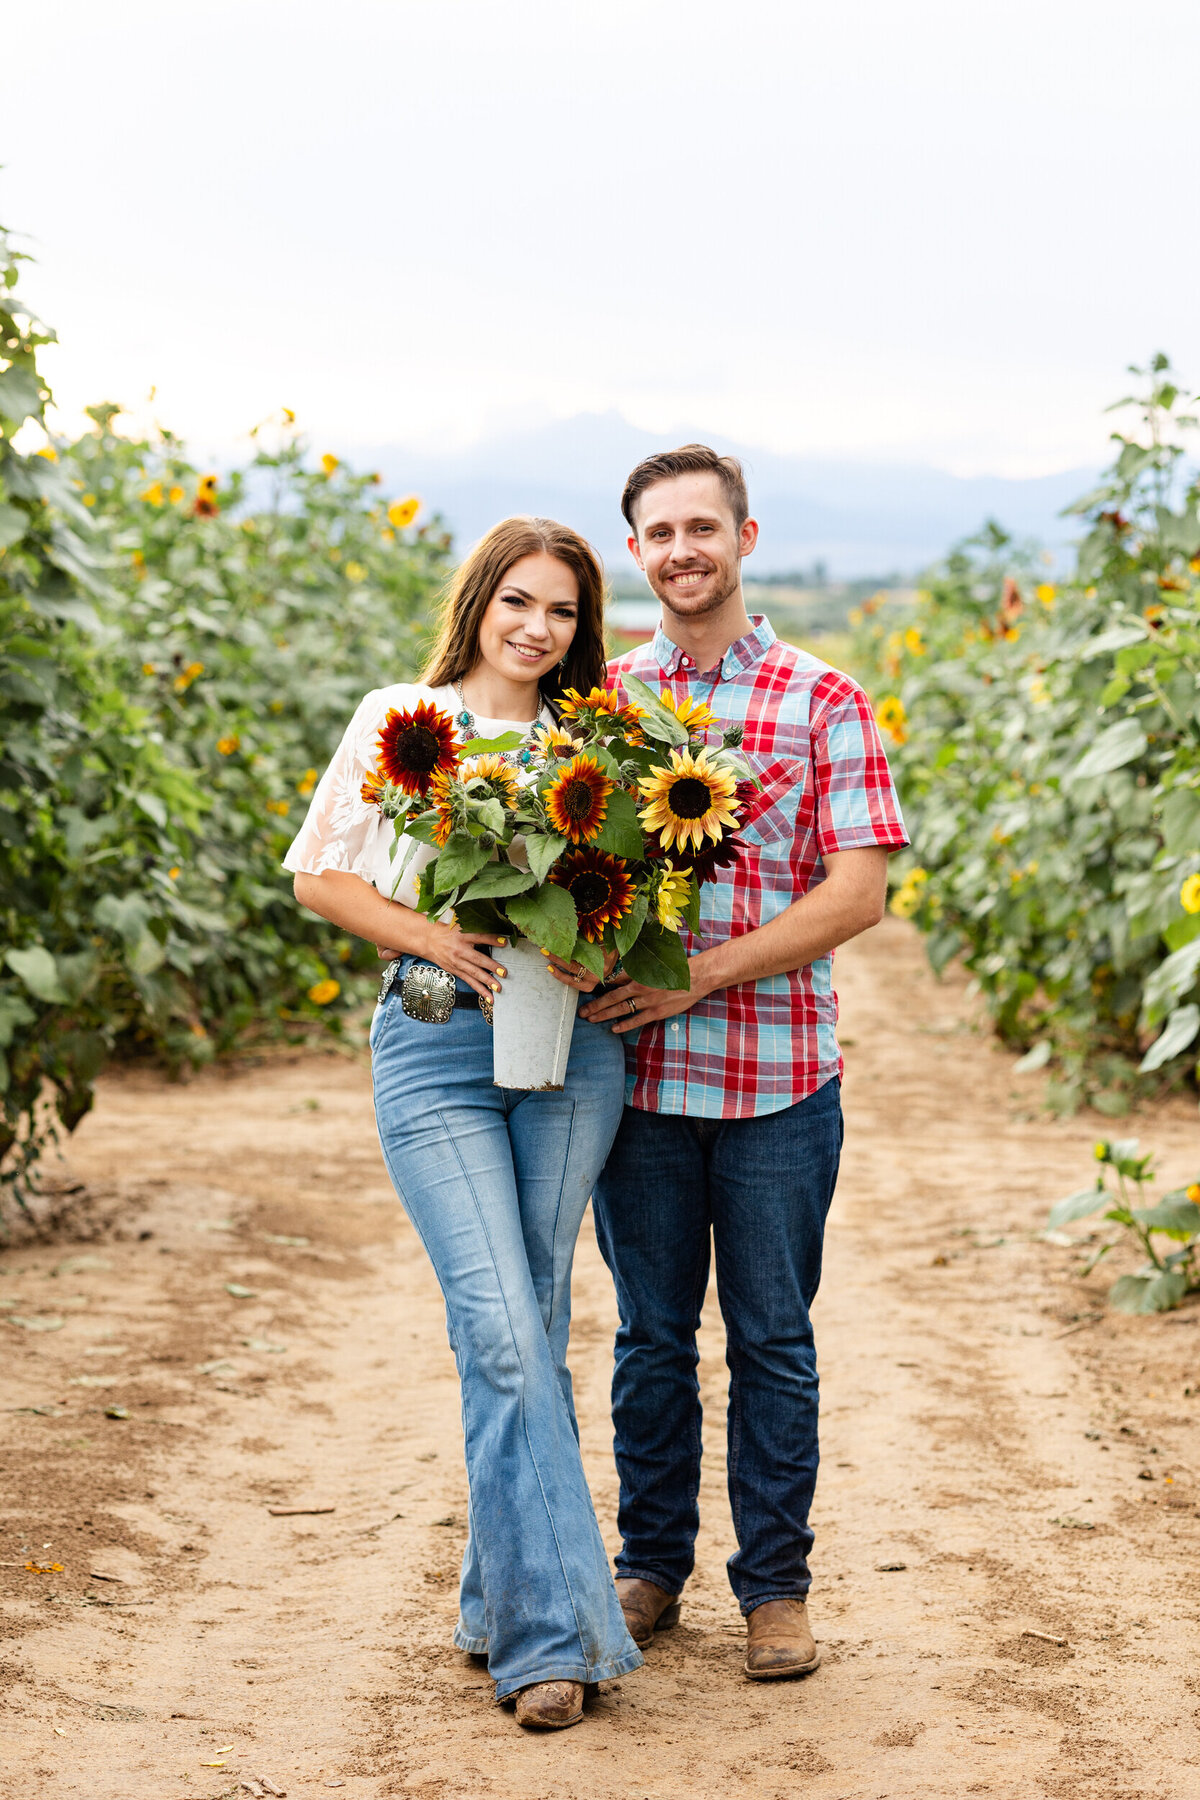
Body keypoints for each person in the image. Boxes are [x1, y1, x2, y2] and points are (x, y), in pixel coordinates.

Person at [284, 516, 642, 1729]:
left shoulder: (599, 747)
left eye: (563, 612)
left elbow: (639, 893)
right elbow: (320, 876)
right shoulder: (403, 718)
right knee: (497, 1325)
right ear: (481, 600)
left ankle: (500, 1597)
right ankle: (554, 1641)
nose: (539, 629)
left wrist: (598, 934)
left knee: (536, 1313)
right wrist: (435, 932)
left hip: (573, 1050)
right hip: (435, 1042)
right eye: (520, 603)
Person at [579, 447, 909, 1680]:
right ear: (636, 551)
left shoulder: (824, 699)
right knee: (649, 1339)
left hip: (777, 1083)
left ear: (745, 536)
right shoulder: (604, 702)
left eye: (700, 527)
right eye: (657, 532)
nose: (680, 550)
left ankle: (776, 1591)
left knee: (772, 1339)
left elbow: (859, 894)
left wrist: (702, 975)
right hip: (641, 1088)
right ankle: (650, 1566)